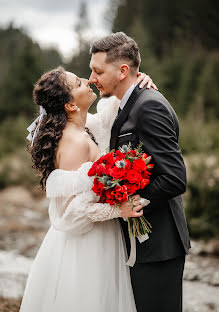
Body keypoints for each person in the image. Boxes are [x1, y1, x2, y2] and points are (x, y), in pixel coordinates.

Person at [20, 67, 155, 311]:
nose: (87, 80)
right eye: (78, 83)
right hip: (86, 244)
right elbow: (70, 212)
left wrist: (137, 82)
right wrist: (118, 209)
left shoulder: (85, 127)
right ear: (71, 106)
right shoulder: (74, 142)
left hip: (101, 236)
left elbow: (109, 115)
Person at [89, 32, 191, 312]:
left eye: (98, 71)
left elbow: (174, 178)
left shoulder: (149, 106)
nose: (92, 79)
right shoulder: (125, 105)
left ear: (123, 71)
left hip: (159, 245)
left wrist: (129, 199)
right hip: (141, 245)